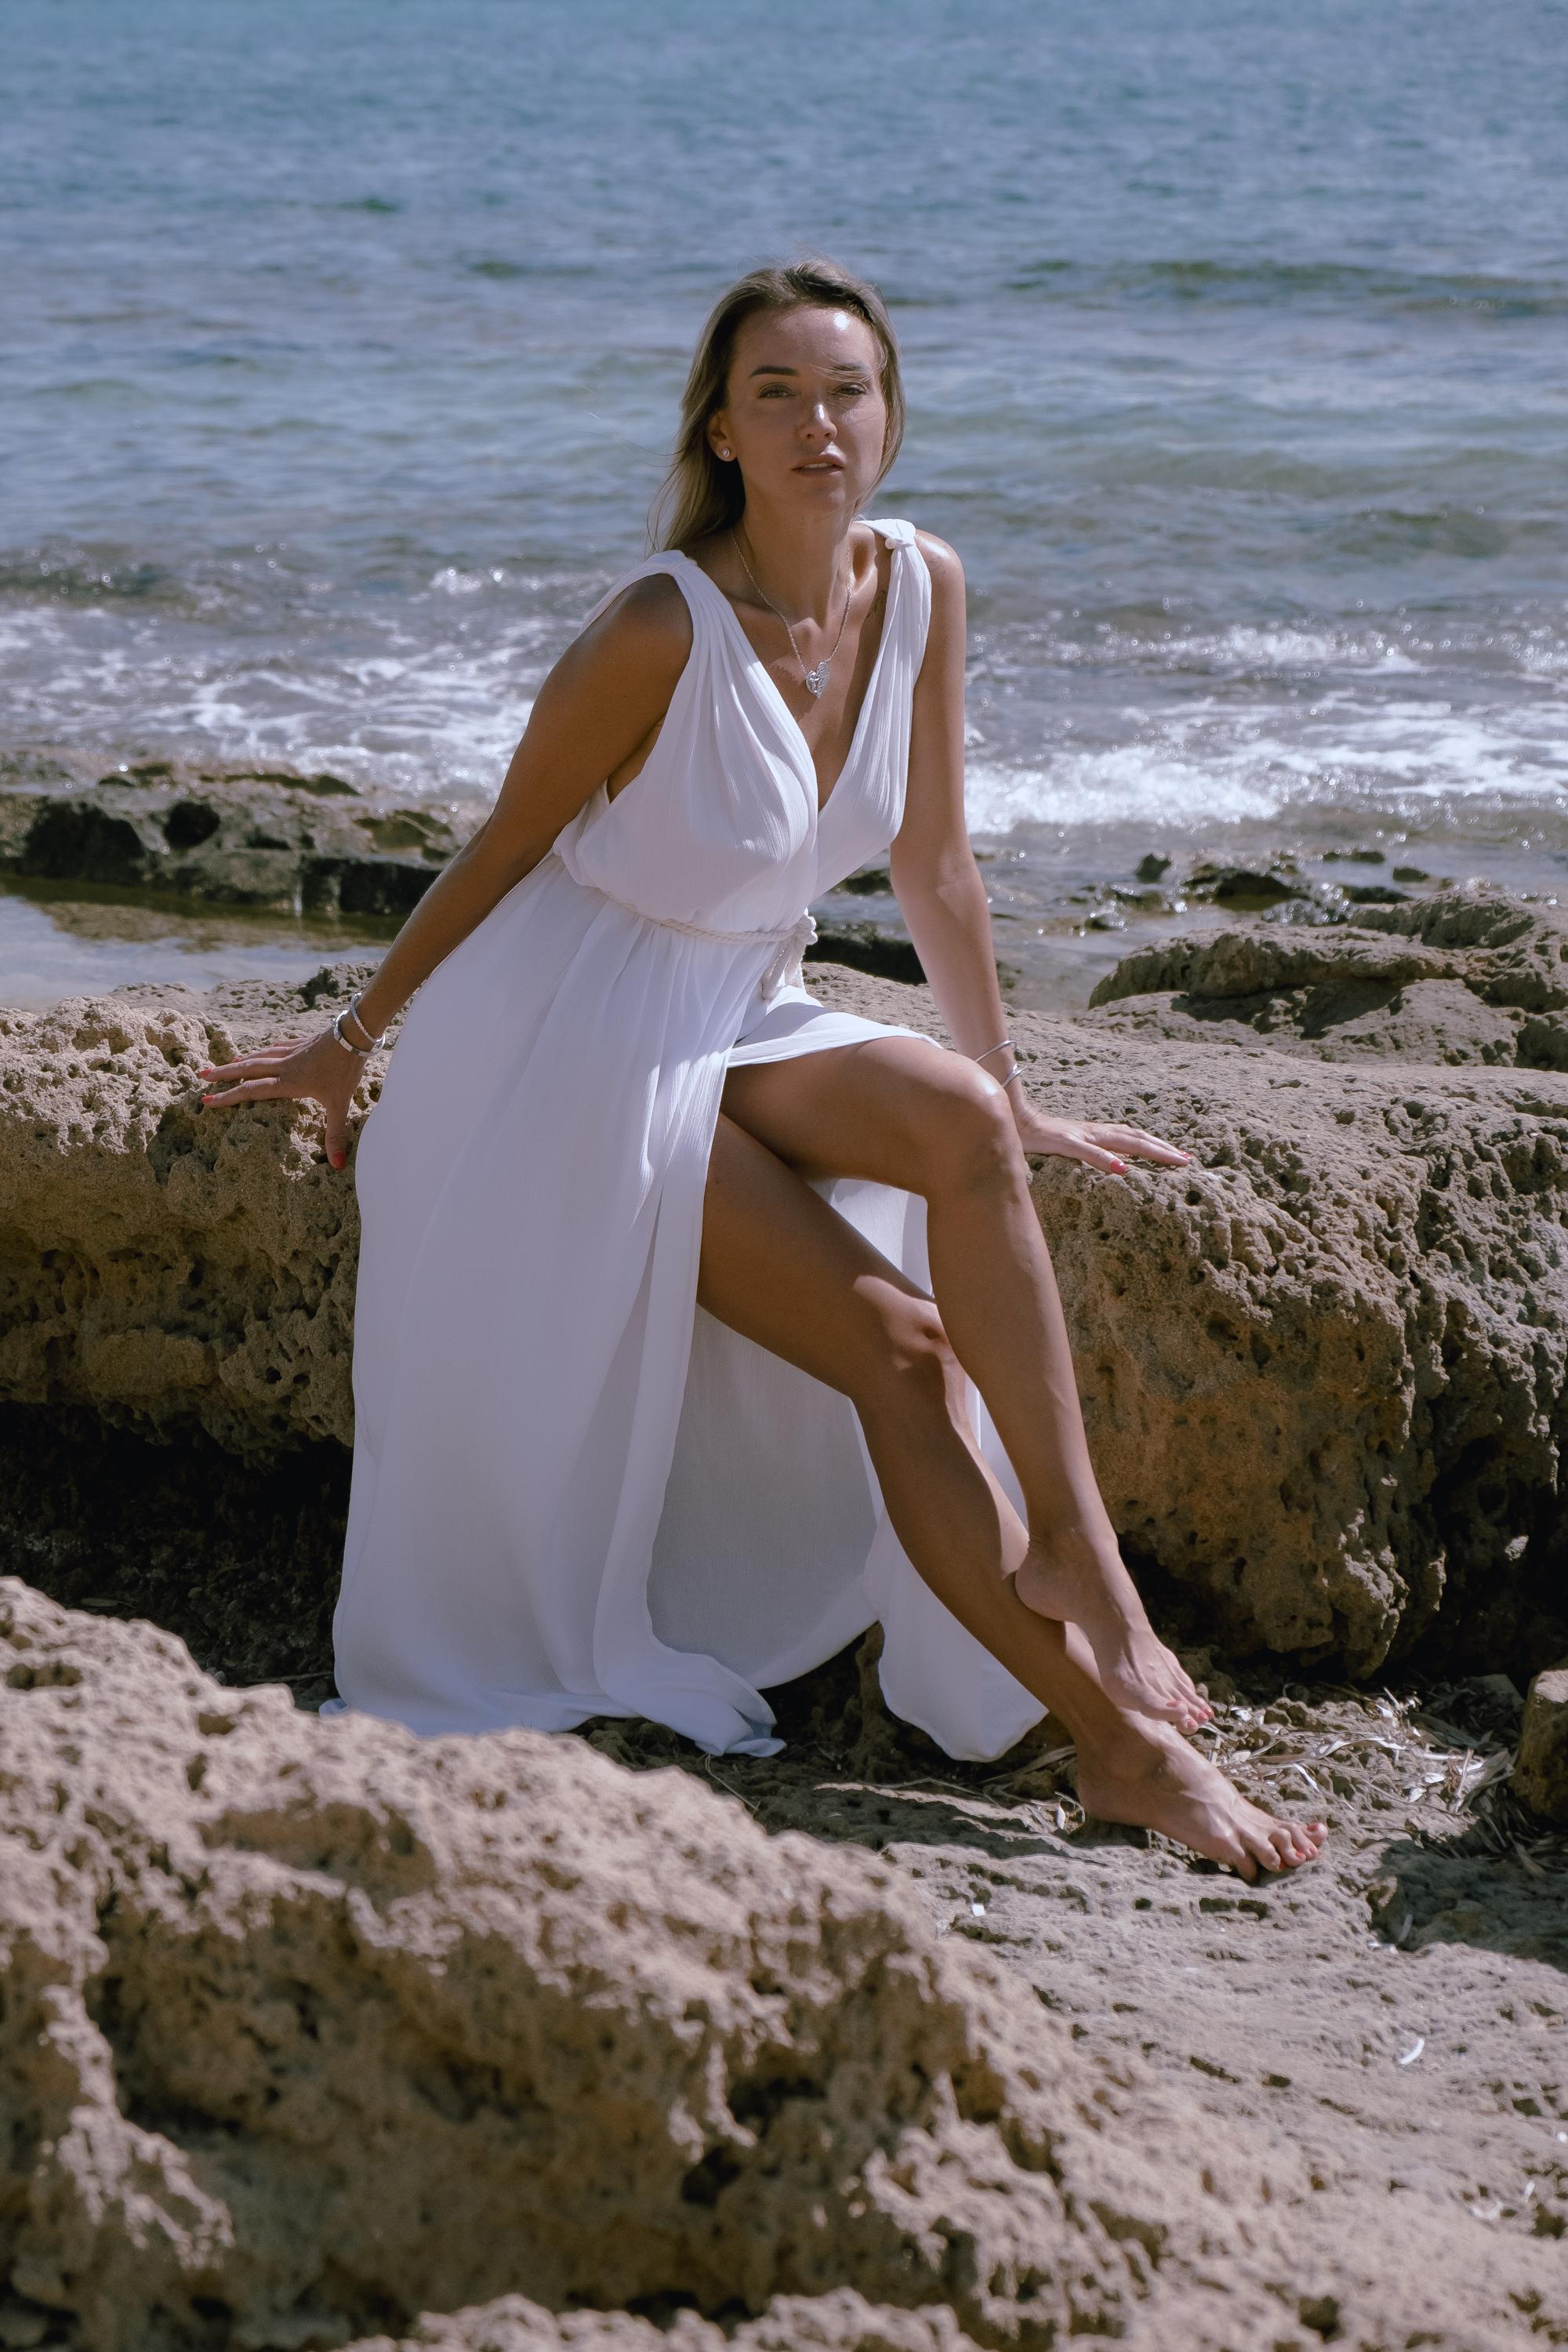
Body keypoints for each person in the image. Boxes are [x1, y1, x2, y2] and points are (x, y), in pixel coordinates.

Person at [201, 258, 1326, 1880]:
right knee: (902, 1354)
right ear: (720, 430)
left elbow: (935, 867)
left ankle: (1078, 1546)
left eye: (847, 391)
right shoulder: (661, 627)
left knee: (958, 1122)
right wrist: (349, 1044)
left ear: (891, 414)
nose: (819, 424)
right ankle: (1124, 1751)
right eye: (778, 395)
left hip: (743, 999)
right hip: (570, 1042)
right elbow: (505, 851)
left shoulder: (920, 584)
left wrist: (1008, 1078)